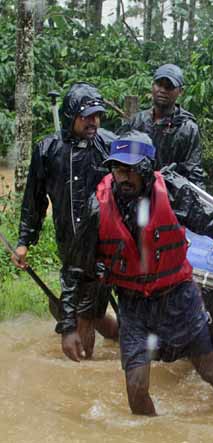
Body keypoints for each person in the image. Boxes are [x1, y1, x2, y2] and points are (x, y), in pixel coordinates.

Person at [58, 131, 213, 415]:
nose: (123, 177)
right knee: (136, 389)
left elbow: (210, 221)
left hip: (179, 298)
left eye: (131, 170)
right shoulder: (97, 206)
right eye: (118, 169)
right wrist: (68, 326)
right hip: (133, 304)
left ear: (147, 169)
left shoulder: (171, 192)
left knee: (210, 372)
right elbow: (76, 268)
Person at [12, 83, 119, 356]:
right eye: (87, 116)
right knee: (91, 313)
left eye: (98, 115)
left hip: (104, 249)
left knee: (84, 317)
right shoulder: (47, 150)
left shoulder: (110, 145)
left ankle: (85, 382)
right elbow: (34, 201)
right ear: (71, 116)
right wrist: (25, 241)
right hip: (68, 246)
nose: (94, 121)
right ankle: (132, 342)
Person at [122, 64, 205, 187]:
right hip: (137, 191)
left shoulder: (187, 128)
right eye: (159, 84)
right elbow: (121, 158)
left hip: (170, 195)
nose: (162, 90)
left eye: (169, 87)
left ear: (180, 91)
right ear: (152, 86)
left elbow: (193, 171)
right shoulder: (138, 121)